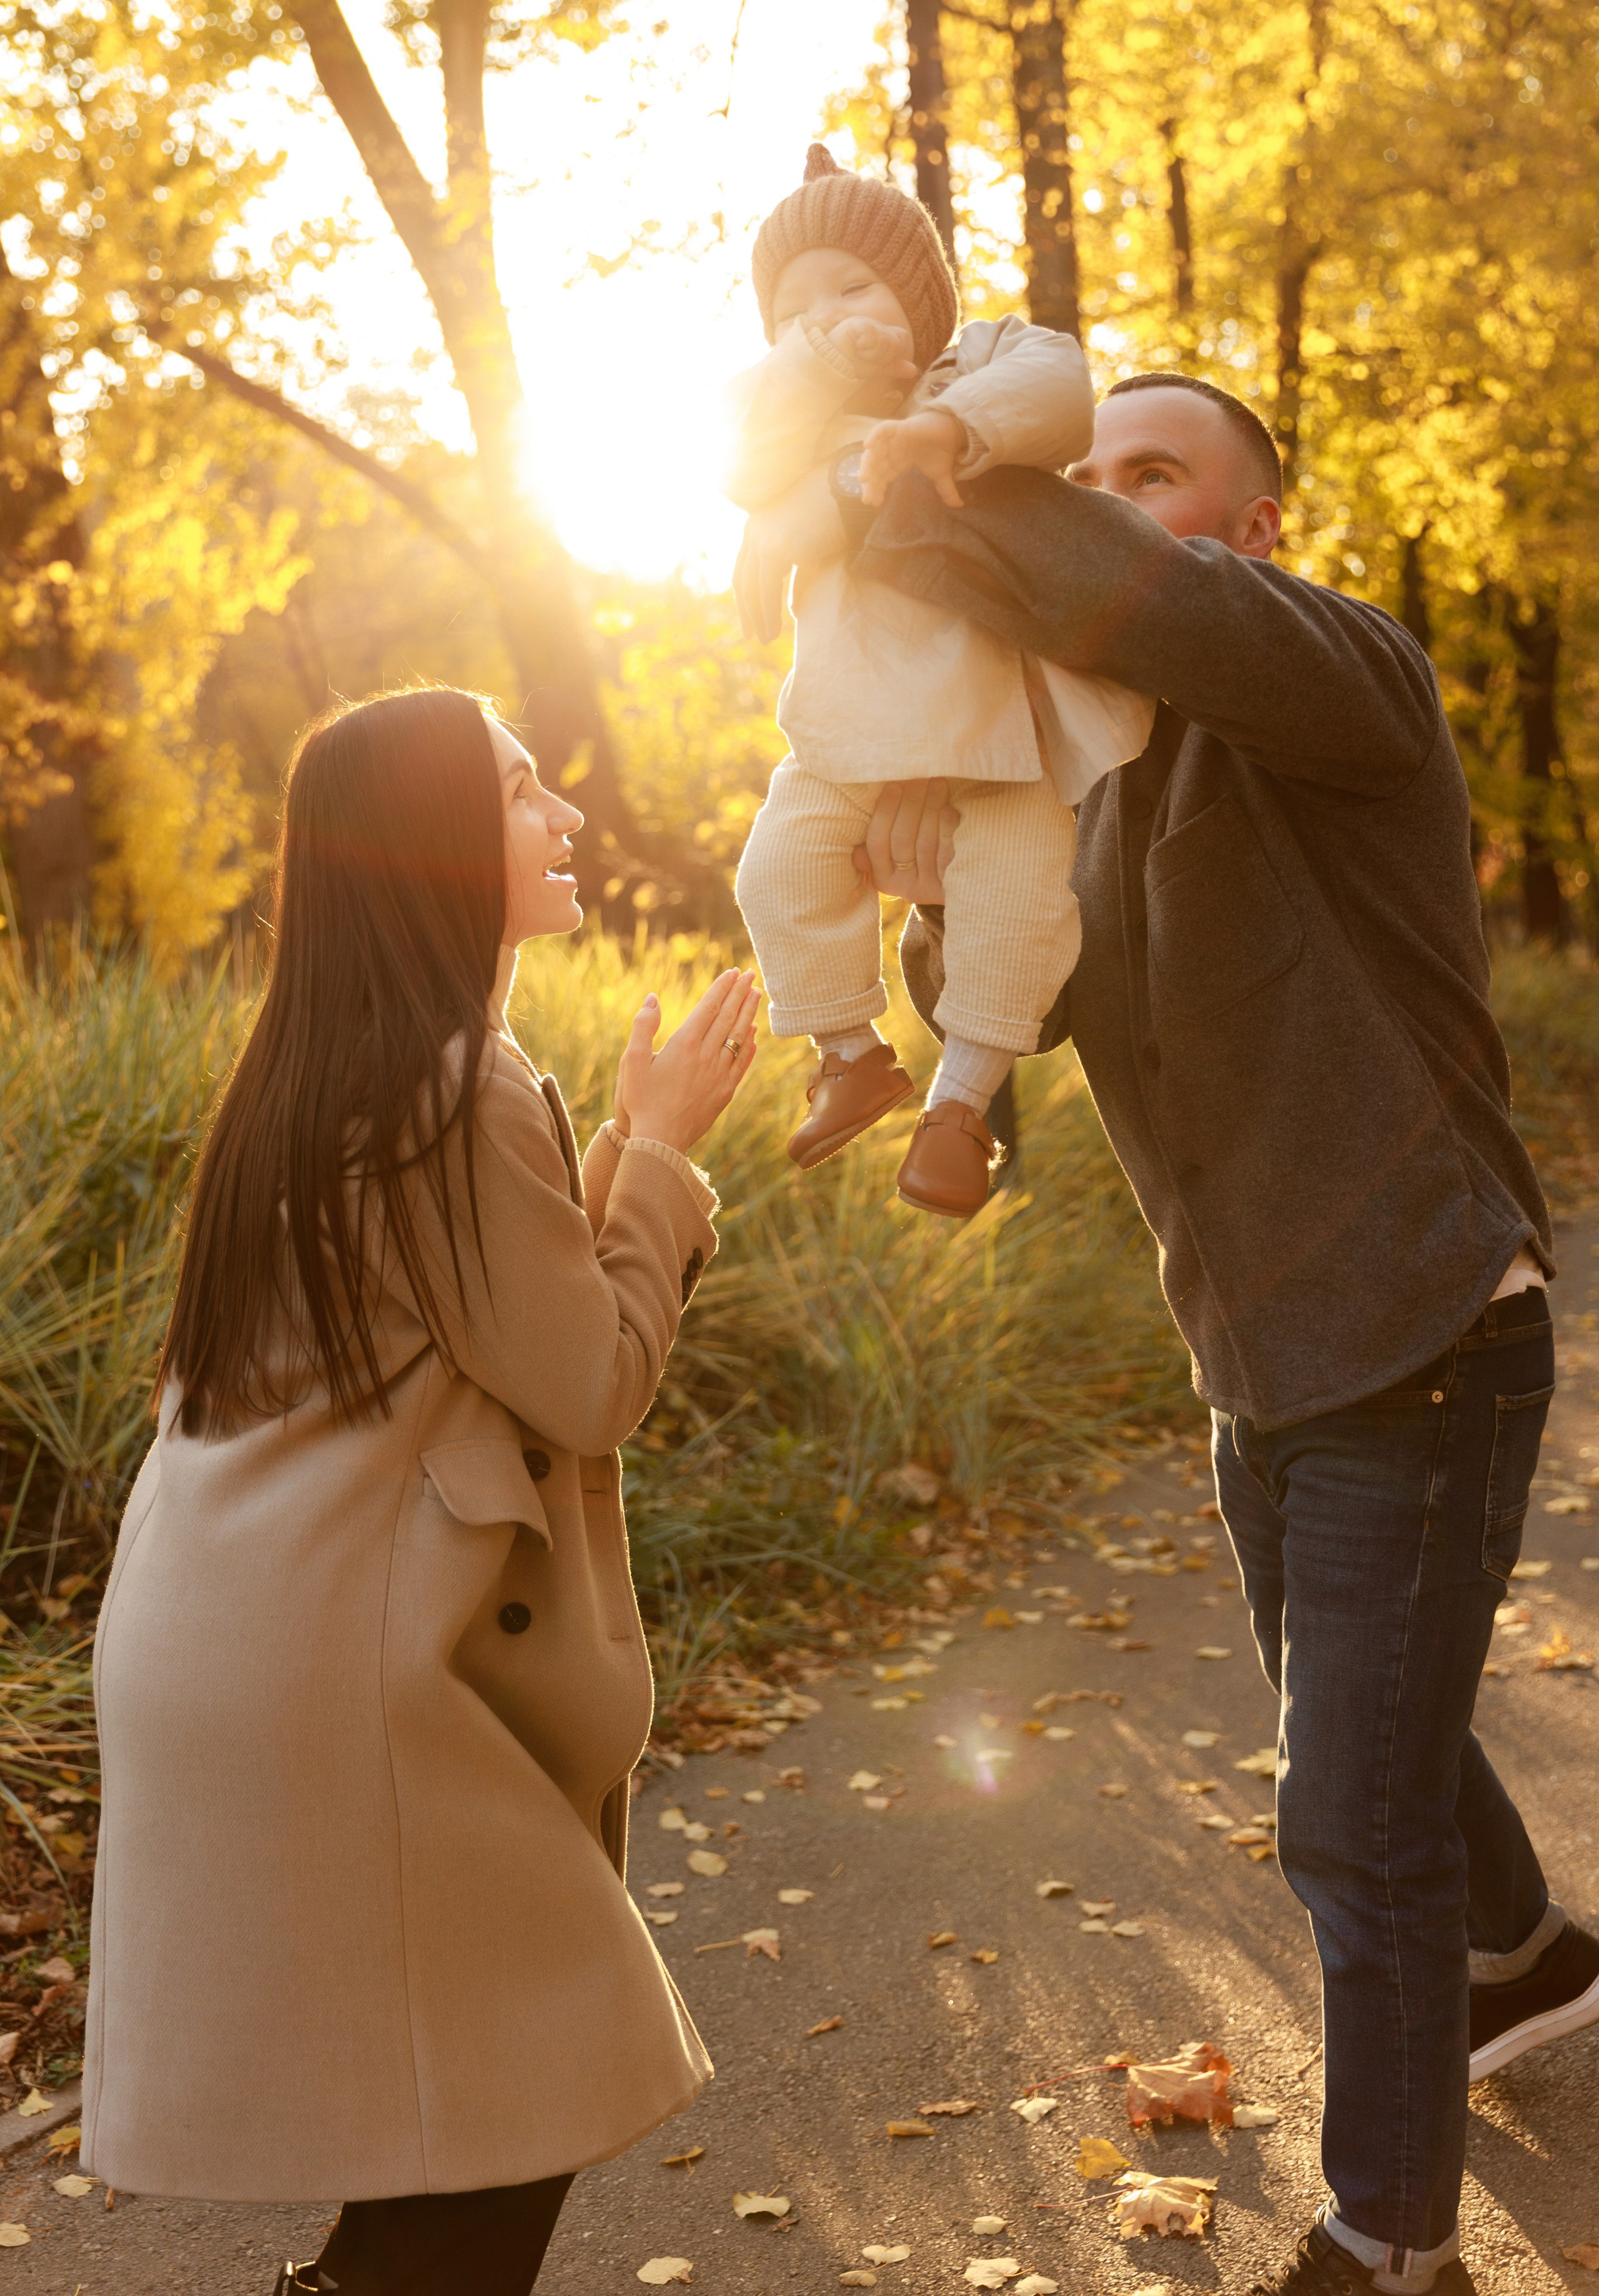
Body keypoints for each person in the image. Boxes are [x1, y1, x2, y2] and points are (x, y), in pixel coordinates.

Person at [847, 374, 1599, 2296]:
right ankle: (1530, 1960)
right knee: (1374, 1726)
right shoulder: (1084, 799)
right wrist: (940, 910)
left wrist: (955, 484)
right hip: (1255, 1360)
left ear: (1257, 527)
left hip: (1423, 1329)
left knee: (1347, 1818)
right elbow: (996, 1084)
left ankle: (1388, 2240)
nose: (1097, 506)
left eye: (1146, 477)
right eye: (1079, 478)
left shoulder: (1344, 682)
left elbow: (1145, 612)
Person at [82, 687, 760, 2296]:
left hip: (244, 1632)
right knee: (514, 2098)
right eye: (523, 792)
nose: (567, 818)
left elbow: (494, 1323)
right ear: (439, 845)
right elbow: (588, 1382)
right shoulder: (454, 1080)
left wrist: (611, 1163)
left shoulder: (322, 1070)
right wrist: (657, 1157)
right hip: (345, 1678)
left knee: (462, 2122)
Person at [726, 141, 1153, 1216]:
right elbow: (739, 454)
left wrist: (945, 428)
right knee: (777, 871)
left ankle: (961, 1110)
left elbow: (1062, 387)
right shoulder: (802, 421)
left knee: (1018, 911)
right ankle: (847, 1054)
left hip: (999, 737)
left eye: (856, 289)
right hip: (844, 732)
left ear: (921, 299)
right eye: (794, 312)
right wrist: (820, 364)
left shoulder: (983, 369)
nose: (826, 319)